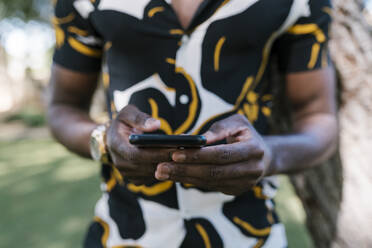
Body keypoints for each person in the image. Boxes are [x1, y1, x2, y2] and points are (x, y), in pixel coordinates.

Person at [48, 0, 337, 247]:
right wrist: (103, 140)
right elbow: (64, 108)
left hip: (248, 235)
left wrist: (270, 155)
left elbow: (319, 118)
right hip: (122, 232)